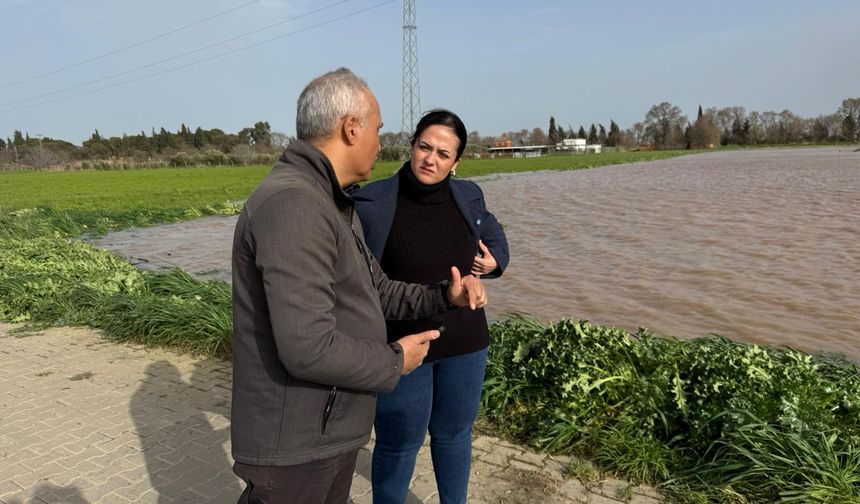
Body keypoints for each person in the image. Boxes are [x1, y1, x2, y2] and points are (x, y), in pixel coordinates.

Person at [230, 70, 487, 504]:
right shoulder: (295, 205)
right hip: (296, 440)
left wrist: (444, 295)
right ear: (352, 128)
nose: (379, 142)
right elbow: (307, 346)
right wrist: (394, 361)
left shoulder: (329, 201)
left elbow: (378, 290)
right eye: (378, 129)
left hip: (324, 427)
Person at [352, 109, 510, 503]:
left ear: (456, 163)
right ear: (411, 146)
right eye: (424, 147)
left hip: (465, 341)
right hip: (401, 343)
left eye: (443, 153)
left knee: (454, 434)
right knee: (399, 441)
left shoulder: (469, 196)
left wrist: (495, 262)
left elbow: (493, 233)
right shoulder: (371, 202)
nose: (430, 159)